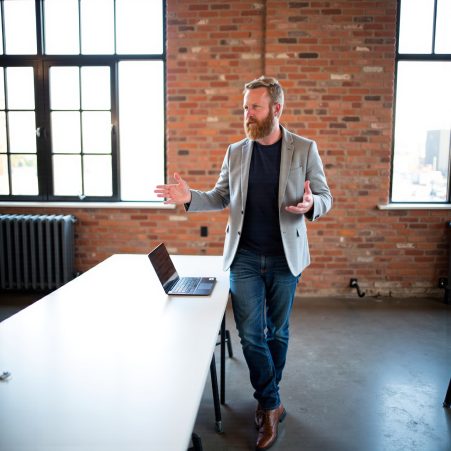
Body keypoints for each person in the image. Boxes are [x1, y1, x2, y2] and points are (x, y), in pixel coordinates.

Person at [155, 76, 332, 450]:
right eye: (245, 107)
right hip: (245, 257)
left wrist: (312, 204)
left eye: (254, 107)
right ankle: (270, 404)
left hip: (286, 258)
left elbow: (326, 196)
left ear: (276, 109)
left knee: (277, 333)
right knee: (251, 335)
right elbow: (221, 196)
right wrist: (190, 197)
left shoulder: (304, 149)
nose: (247, 113)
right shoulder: (236, 151)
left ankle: (270, 398)